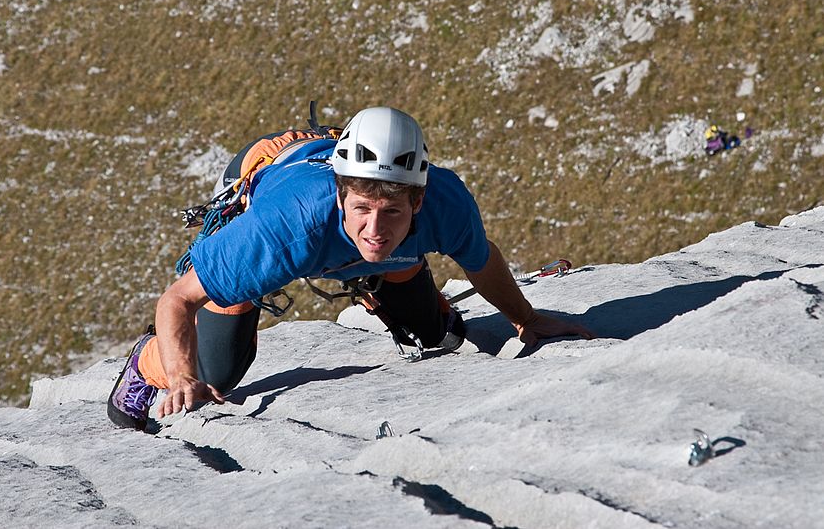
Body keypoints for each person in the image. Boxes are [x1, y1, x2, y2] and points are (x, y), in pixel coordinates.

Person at [107, 107, 595, 430]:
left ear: (419, 200)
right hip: (270, 172)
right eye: (361, 209)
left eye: (393, 212)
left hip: (333, 178)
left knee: (436, 335)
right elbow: (178, 299)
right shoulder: (285, 227)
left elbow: (481, 262)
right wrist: (179, 375)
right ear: (340, 194)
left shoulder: (445, 202)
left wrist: (526, 319)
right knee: (217, 373)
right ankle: (144, 359)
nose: (375, 228)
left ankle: (374, 280)